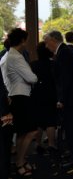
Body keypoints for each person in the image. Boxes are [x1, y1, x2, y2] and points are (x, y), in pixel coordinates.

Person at [43, 30, 73, 168]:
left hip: (71, 99)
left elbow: (65, 79)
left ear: (54, 41)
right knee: (72, 128)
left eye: (47, 43)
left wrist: (61, 99)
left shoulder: (63, 53)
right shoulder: (64, 52)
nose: (46, 46)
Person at [4, 28, 38, 177]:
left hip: (16, 96)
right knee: (31, 131)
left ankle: (20, 161)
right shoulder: (16, 57)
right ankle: (19, 162)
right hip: (21, 96)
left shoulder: (10, 55)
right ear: (23, 40)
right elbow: (32, 78)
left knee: (22, 132)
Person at [30, 41, 58, 153]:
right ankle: (51, 144)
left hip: (37, 94)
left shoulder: (33, 65)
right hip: (51, 94)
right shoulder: (54, 64)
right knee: (51, 120)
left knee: (38, 121)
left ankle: (38, 144)